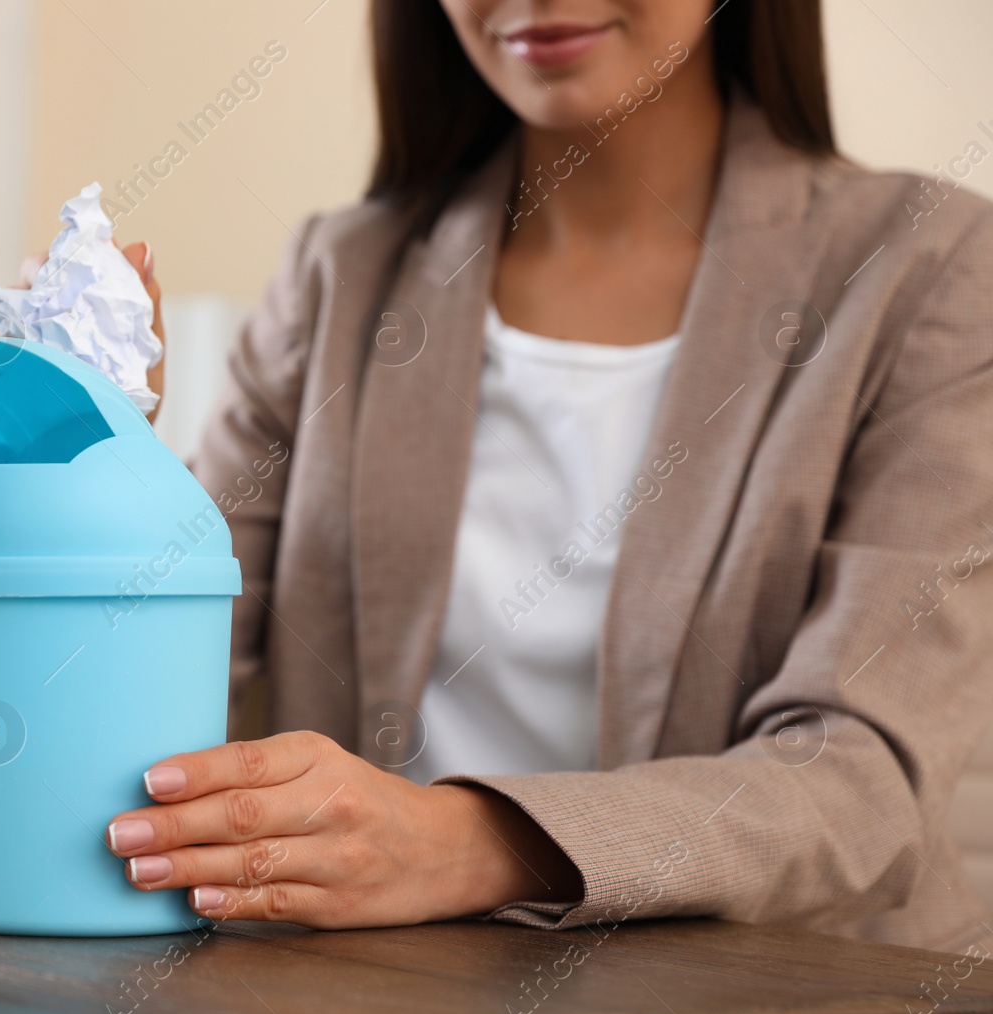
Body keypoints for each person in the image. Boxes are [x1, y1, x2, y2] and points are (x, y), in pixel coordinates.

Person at [102, 0, 993, 953]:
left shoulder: (930, 265)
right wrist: (90, 458)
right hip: (378, 1012)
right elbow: (150, 680)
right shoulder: (341, 275)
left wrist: (450, 843)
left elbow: (863, 783)